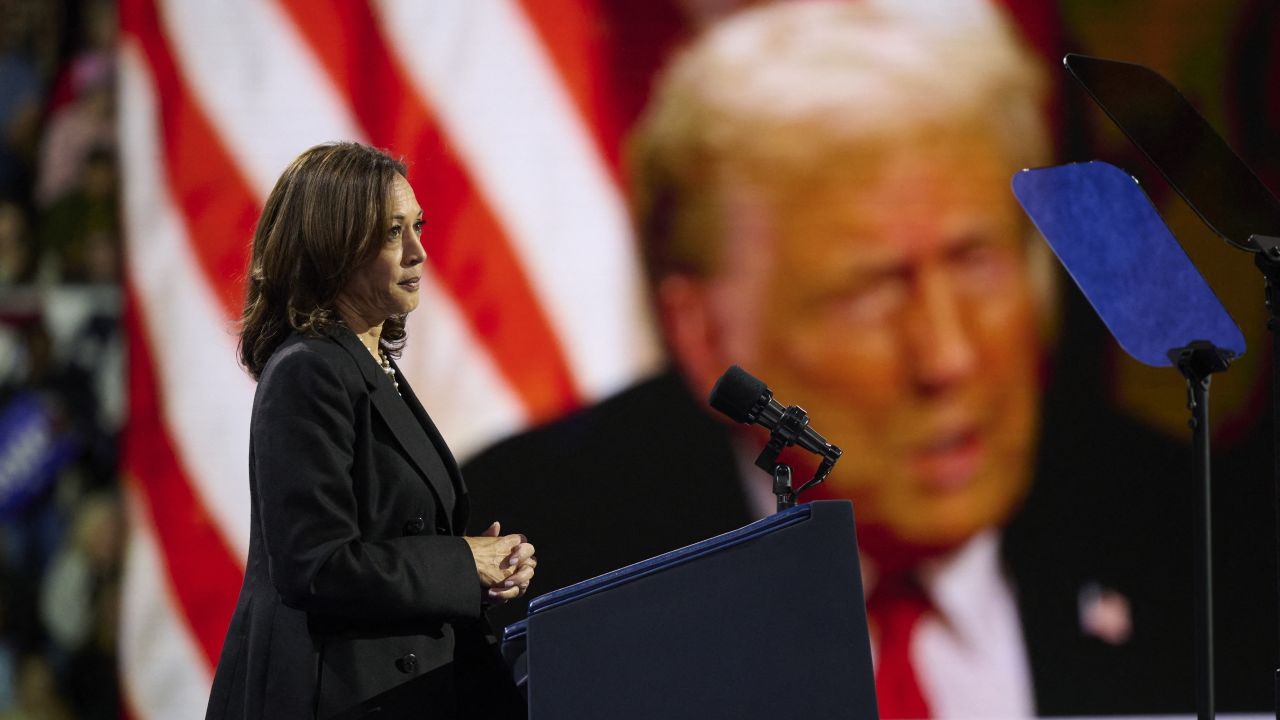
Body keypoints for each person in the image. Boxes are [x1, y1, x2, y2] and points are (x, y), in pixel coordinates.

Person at [464, 2, 1271, 717]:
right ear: (705, 331)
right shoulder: (522, 575)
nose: (948, 357)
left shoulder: (1207, 546)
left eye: (976, 261)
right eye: (870, 292)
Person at [205, 142, 534, 720]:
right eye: (391, 234)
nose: (418, 252)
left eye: (418, 228)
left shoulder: (370, 366)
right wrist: (461, 563)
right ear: (334, 249)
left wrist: (479, 569)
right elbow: (316, 564)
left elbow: (386, 536)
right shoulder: (307, 370)